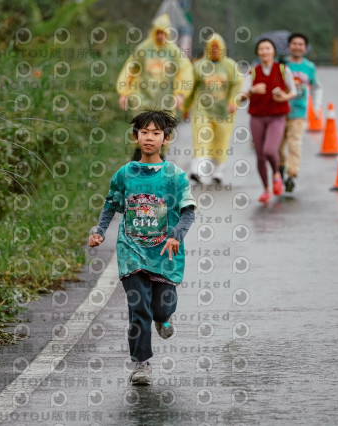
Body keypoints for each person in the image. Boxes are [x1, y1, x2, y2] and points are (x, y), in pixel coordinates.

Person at [89, 110, 196, 385]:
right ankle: (141, 364)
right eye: (144, 132)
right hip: (131, 252)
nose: (150, 137)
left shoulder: (175, 176)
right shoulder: (124, 175)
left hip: (164, 255)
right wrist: (100, 231)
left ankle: (165, 319)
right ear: (135, 137)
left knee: (160, 309)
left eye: (156, 133)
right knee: (139, 309)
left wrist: (175, 236)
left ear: (166, 138)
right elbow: (111, 204)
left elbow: (188, 212)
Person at [116, 14, 194, 161]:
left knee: (162, 133)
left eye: (163, 33)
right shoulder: (143, 49)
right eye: (158, 32)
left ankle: (159, 164)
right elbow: (130, 69)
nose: (160, 36)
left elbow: (185, 72)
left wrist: (180, 94)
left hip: (165, 100)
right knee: (142, 132)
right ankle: (136, 166)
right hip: (142, 99)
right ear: (153, 32)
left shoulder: (174, 52)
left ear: (168, 33)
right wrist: (124, 92)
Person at [240, 38, 296, 204]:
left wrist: (285, 96)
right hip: (257, 117)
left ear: (273, 51)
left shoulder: (282, 69)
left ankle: (277, 174)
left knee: (270, 150)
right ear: (258, 52)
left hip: (277, 116)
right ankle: (266, 189)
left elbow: (293, 90)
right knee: (260, 156)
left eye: (268, 48)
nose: (264, 51)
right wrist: (251, 90)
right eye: (261, 49)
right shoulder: (253, 72)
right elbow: (241, 96)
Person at [183, 33, 244, 184]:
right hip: (202, 109)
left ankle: (218, 171)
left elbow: (237, 84)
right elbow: (191, 87)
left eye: (217, 47)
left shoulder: (230, 66)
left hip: (224, 111)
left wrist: (233, 101)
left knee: (221, 141)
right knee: (201, 138)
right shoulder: (199, 66)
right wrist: (186, 106)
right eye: (212, 47)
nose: (215, 50)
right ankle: (196, 170)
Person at [278, 32, 323, 192]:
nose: (297, 47)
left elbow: (316, 88)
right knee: (278, 147)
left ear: (305, 48)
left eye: (301, 44)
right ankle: (281, 168)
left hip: (298, 112)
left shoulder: (309, 67)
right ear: (289, 46)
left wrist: (316, 107)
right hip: (279, 113)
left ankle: (291, 175)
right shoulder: (282, 65)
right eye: (294, 43)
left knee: (295, 144)